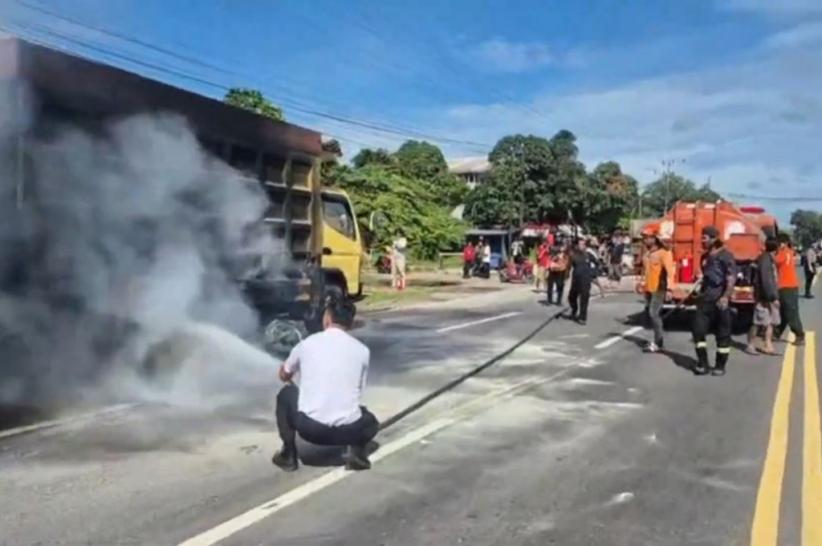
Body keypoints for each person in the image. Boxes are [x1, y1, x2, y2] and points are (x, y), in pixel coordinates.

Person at [272, 297, 379, 472]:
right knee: (369, 419)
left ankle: (288, 455)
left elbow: (285, 374)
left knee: (286, 394)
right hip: (349, 431)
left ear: (327, 318)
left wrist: (284, 373)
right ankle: (357, 454)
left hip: (311, 431)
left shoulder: (307, 344)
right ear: (350, 324)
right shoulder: (362, 351)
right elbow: (358, 390)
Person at [692, 226, 736, 376]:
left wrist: (725, 297)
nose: (702, 241)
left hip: (720, 299)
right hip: (705, 299)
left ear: (713, 238)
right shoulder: (706, 256)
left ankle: (720, 366)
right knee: (698, 332)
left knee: (723, 334)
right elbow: (705, 276)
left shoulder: (726, 255)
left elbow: (731, 278)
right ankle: (703, 364)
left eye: (704, 238)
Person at [640, 228, 675, 353]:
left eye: (647, 237)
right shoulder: (647, 254)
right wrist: (641, 283)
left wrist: (670, 289)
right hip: (649, 288)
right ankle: (657, 340)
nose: (644, 240)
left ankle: (659, 342)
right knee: (653, 314)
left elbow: (670, 272)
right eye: (644, 237)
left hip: (659, 288)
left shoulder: (664, 253)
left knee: (653, 314)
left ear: (654, 238)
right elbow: (645, 272)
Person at [746, 238, 780, 355]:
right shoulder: (765, 260)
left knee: (770, 321)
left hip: (770, 295)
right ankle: (750, 344)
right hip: (764, 296)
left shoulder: (769, 259)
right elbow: (766, 280)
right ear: (776, 248)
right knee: (758, 321)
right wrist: (772, 297)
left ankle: (768, 345)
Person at [774, 234, 805, 345]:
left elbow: (775, 261)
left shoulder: (784, 253)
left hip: (787, 286)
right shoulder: (789, 251)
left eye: (779, 243)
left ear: (784, 243)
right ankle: (777, 332)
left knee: (790, 312)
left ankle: (799, 334)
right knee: (784, 311)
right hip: (787, 286)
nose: (777, 245)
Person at [568, 238, 604, 325]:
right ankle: (574, 309)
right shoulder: (573, 255)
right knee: (571, 297)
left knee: (584, 298)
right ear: (577, 246)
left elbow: (598, 264)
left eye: (583, 244)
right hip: (576, 279)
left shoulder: (588, 255)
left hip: (586, 279)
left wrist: (593, 273)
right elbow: (569, 266)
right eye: (580, 244)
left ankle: (582, 317)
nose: (582, 246)